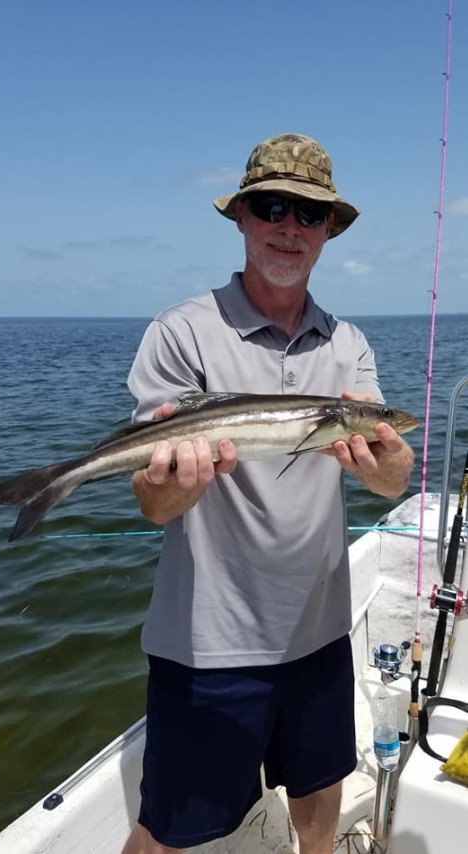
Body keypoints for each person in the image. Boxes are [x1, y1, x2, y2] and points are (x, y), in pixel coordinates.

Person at [122, 133, 414, 854]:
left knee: (320, 797)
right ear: (244, 218)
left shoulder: (348, 344)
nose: (291, 226)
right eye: (273, 206)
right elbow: (153, 506)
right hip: (207, 644)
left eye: (309, 214)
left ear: (327, 233)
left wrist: (383, 464)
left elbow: (390, 479)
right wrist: (169, 484)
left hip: (317, 633)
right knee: (167, 831)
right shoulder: (182, 332)